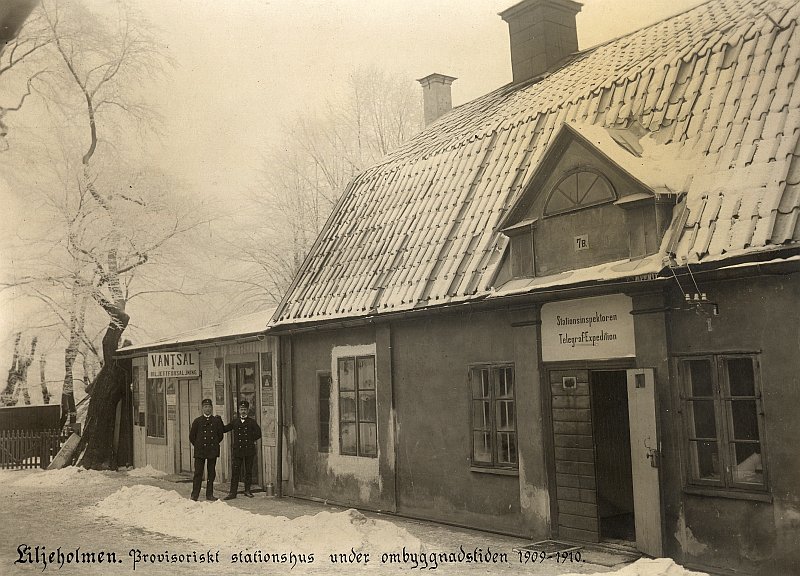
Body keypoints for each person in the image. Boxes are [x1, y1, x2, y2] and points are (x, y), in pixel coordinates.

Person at [223, 400, 262, 499]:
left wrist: (250, 439)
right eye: (241, 409)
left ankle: (247, 490)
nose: (243, 411)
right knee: (235, 472)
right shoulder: (235, 421)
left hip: (249, 450)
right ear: (239, 411)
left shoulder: (252, 422)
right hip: (238, 451)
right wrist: (218, 420)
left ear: (248, 411)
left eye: (245, 409)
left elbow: (258, 434)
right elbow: (225, 429)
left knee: (248, 471)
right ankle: (232, 493)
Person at [188, 398, 225, 501]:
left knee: (211, 473)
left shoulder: (216, 421)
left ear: (212, 408)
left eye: (209, 407)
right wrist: (199, 445)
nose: (207, 409)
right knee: (198, 473)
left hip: (212, 451)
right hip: (200, 451)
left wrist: (212, 444)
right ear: (202, 408)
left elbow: (220, 436)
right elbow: (192, 436)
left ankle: (210, 494)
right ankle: (195, 494)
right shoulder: (197, 421)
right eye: (205, 407)